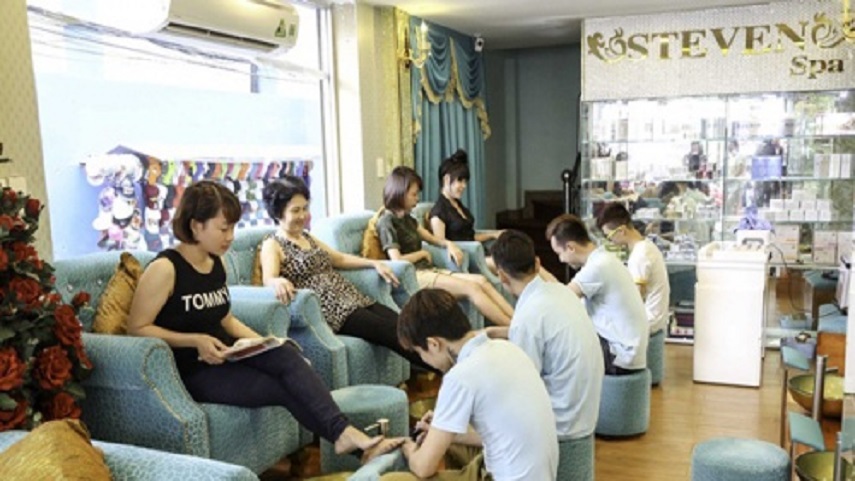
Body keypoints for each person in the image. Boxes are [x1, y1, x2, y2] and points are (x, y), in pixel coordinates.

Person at [126, 180, 403, 462]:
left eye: (233, 228)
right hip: (192, 371)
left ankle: (348, 437)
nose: (230, 237)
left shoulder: (216, 263)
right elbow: (136, 329)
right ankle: (351, 440)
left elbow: (225, 319)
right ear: (196, 226)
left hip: (226, 354)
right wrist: (194, 341)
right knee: (281, 387)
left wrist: (266, 343)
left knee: (288, 355)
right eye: (223, 229)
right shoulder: (165, 268)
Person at [259, 175, 433, 371]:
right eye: (295, 210)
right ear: (278, 213)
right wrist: (277, 281)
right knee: (390, 332)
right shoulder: (273, 243)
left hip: (351, 297)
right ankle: (442, 366)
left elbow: (339, 259)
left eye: (305, 208)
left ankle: (445, 359)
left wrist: (374, 263)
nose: (303, 216)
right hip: (331, 310)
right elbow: (268, 278)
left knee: (403, 323)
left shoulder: (307, 237)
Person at [384, 289, 558, 481]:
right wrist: (445, 430)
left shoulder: (460, 377)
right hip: (537, 473)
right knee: (448, 442)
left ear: (433, 344)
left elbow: (423, 468)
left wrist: (409, 450)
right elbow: (502, 434)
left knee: (391, 480)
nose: (424, 360)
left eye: (420, 353)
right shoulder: (507, 348)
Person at [489, 230, 603, 439]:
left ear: (502, 275)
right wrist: (501, 333)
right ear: (538, 263)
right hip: (585, 413)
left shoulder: (527, 318)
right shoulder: (560, 292)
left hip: (560, 425)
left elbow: (524, 386)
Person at [376, 166, 514, 326]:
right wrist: (421, 254)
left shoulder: (408, 219)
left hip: (428, 270)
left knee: (482, 281)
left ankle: (517, 320)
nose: (417, 199)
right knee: (472, 288)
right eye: (414, 194)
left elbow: (432, 239)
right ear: (400, 193)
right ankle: (512, 329)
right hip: (414, 276)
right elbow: (397, 259)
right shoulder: (386, 222)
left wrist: (449, 244)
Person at [429, 149, 557, 282]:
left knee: (527, 259)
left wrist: (493, 234)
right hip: (470, 258)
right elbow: (440, 244)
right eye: (460, 181)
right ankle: (555, 288)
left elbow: (470, 235)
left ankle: (558, 287)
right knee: (519, 263)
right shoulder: (438, 212)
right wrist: (452, 246)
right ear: (446, 179)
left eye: (465, 181)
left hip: (481, 253)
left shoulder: (457, 205)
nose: (464, 186)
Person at [546, 213, 648, 375]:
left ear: (571, 247)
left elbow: (562, 299)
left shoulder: (598, 267)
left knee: (555, 347)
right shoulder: (603, 259)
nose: (561, 260)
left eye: (559, 253)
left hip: (619, 356)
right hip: (626, 349)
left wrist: (537, 271)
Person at [597, 203, 671, 334]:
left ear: (621, 231)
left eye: (609, 237)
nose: (611, 242)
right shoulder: (646, 246)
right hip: (653, 323)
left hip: (647, 326)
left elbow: (635, 298)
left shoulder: (640, 255)